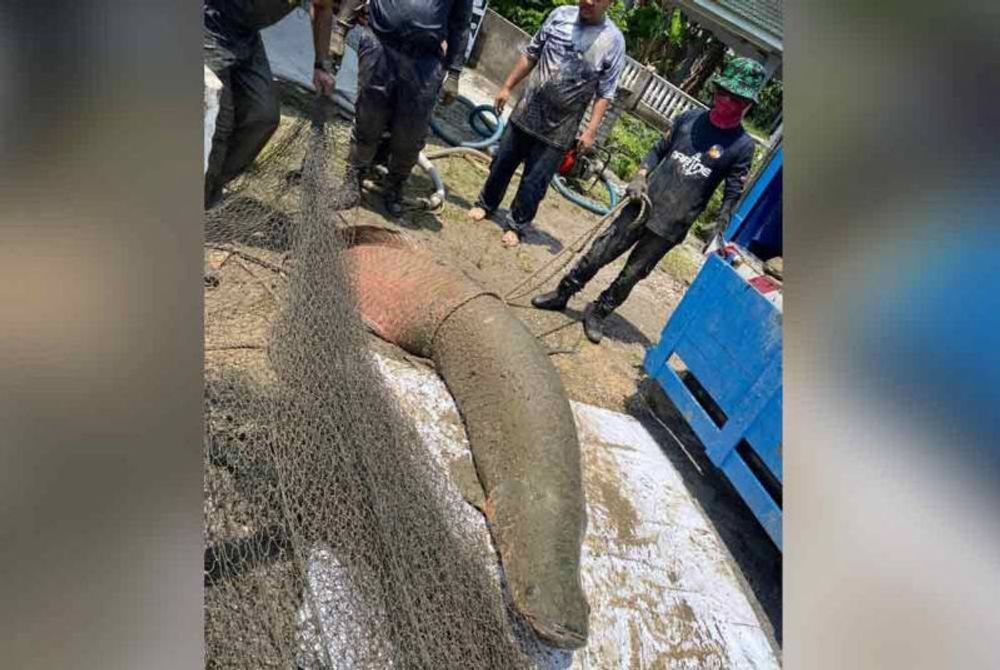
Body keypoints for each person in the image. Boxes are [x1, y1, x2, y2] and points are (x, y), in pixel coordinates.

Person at [531, 57, 768, 344]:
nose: (726, 101)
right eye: (723, 93)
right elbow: (657, 151)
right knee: (600, 251)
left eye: (736, 99)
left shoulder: (742, 146)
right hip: (642, 203)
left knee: (633, 274)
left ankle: (600, 312)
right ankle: (563, 292)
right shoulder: (688, 120)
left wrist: (721, 221)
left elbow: (733, 190)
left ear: (746, 105)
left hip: (672, 222)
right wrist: (640, 175)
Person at [465, 0, 625, 248]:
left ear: (610, 3)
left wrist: (591, 131)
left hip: (560, 127)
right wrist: (507, 86)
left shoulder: (613, 41)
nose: (589, 1)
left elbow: (606, 92)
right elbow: (531, 53)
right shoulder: (560, 15)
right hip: (527, 110)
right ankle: (485, 204)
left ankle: (517, 226)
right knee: (502, 163)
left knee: (535, 182)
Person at [335, 0, 473, 215]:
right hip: (379, 45)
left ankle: (395, 185)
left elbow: (461, 25)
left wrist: (454, 73)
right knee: (368, 121)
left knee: (411, 133)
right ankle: (353, 180)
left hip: (425, 61)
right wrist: (340, 29)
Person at [204, 1, 340, 209]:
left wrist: (321, 64)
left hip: (247, 36)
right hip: (210, 26)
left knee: (263, 116)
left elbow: (322, 8)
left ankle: (210, 186)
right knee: (219, 125)